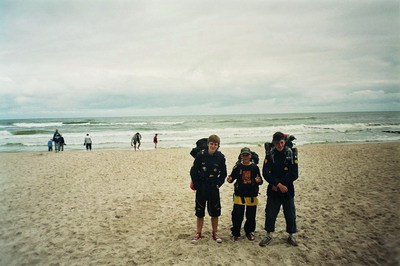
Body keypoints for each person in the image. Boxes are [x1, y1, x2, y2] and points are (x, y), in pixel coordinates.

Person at [259, 132, 299, 247]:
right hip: (274, 189)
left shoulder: (290, 154)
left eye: (281, 142)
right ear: (273, 143)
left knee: (290, 213)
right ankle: (268, 234)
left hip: (287, 189)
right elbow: (266, 173)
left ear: (284, 142)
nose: (279, 145)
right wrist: (277, 184)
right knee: (270, 213)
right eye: (277, 143)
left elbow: (294, 173)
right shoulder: (270, 154)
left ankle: (291, 235)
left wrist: (282, 184)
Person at [190, 135, 227, 243]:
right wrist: (196, 185)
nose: (213, 146)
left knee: (215, 212)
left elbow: (223, 173)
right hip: (201, 186)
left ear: (218, 146)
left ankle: (215, 233)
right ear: (208, 144)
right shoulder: (200, 155)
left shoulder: (220, 157)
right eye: (211, 143)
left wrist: (218, 184)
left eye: (215, 144)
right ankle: (198, 233)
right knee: (200, 212)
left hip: (213, 187)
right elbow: (193, 171)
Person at [227, 147, 263, 241]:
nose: (246, 157)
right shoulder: (237, 167)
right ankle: (236, 233)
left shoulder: (255, 167)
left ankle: (249, 232)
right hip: (240, 194)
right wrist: (229, 179)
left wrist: (258, 181)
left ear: (250, 156)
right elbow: (232, 178)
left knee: (251, 215)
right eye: (244, 155)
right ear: (241, 156)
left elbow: (260, 181)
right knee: (237, 215)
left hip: (252, 194)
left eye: (247, 155)